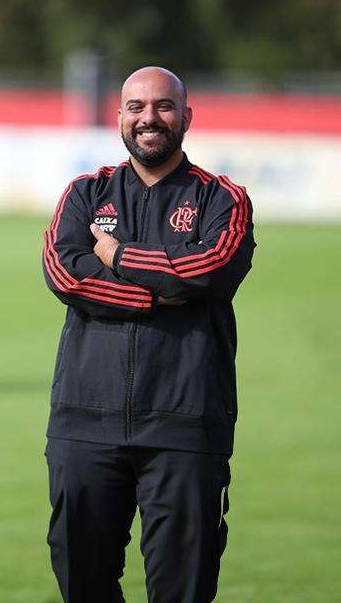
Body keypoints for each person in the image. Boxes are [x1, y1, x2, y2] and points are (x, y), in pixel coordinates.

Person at [41, 66, 256, 602]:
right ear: (119, 117)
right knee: (81, 583)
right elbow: (66, 276)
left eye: (162, 106)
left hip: (185, 425)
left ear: (186, 116)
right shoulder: (85, 195)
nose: (148, 118)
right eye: (136, 107)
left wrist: (115, 256)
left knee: (182, 591)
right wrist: (161, 291)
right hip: (84, 423)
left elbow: (208, 270)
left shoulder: (222, 199)